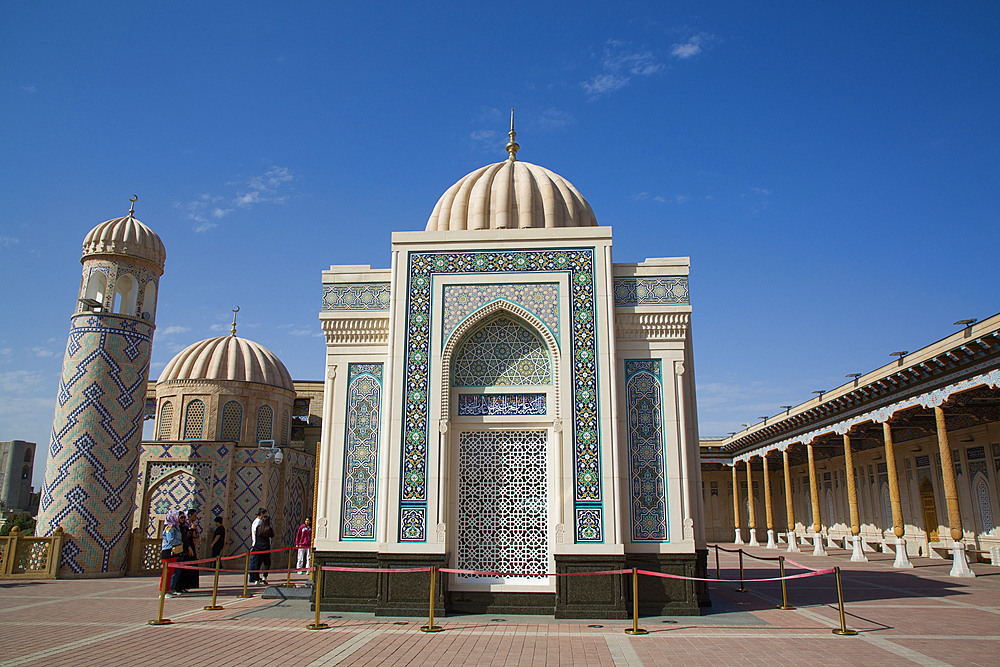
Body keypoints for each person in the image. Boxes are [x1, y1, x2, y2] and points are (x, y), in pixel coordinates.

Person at [161, 510, 184, 598]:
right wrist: (179, 542)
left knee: (171, 572)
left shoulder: (176, 527)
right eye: (180, 517)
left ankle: (168, 590)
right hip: (168, 551)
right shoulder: (169, 528)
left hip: (174, 552)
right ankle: (163, 591)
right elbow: (170, 540)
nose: (182, 519)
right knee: (166, 572)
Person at [178, 508, 200, 591]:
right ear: (189, 515)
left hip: (190, 547)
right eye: (194, 515)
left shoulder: (189, 524)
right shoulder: (185, 525)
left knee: (190, 567)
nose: (196, 517)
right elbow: (185, 536)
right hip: (186, 548)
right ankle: (179, 587)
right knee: (184, 567)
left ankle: (185, 586)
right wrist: (192, 529)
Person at [249, 509, 272, 584]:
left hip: (258, 546)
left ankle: (255, 577)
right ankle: (253, 576)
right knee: (256, 562)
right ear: (261, 514)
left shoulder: (258, 523)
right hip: (260, 546)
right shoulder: (258, 523)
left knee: (257, 562)